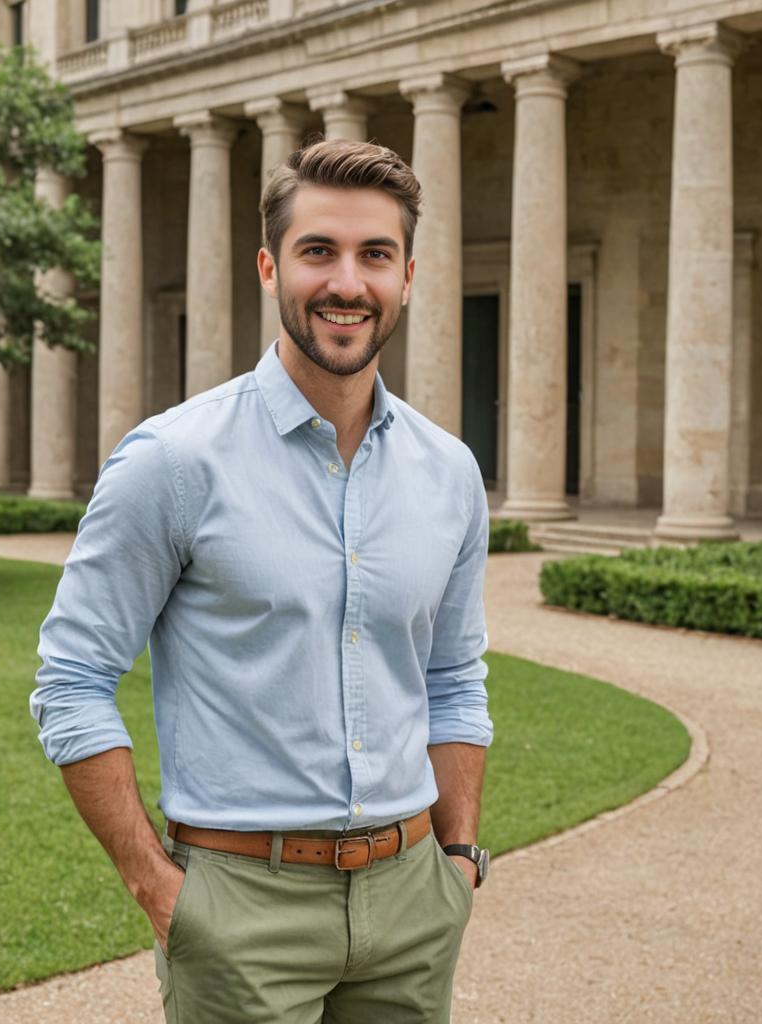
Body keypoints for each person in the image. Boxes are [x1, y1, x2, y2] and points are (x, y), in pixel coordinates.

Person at [31, 138, 493, 1023]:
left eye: (375, 255)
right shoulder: (173, 462)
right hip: (238, 905)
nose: (347, 283)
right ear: (270, 267)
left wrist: (458, 858)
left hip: (412, 901)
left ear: (408, 277)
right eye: (319, 251)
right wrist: (159, 889)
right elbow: (72, 683)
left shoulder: (450, 472)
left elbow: (454, 677)